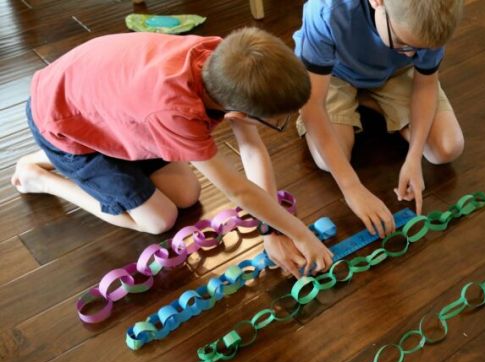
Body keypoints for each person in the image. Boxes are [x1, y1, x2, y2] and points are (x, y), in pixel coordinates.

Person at [11, 28, 333, 278]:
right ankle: (42, 176)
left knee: (186, 194)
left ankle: (63, 159)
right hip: (60, 124)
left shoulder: (227, 61)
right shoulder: (176, 113)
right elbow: (238, 190)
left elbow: (251, 149)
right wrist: (298, 234)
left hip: (110, 110)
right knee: (158, 220)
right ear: (235, 111)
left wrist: (273, 228)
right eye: (274, 121)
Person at [294, 0, 464, 237]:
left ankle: (366, 100)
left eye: (420, 49)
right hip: (332, 73)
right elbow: (312, 105)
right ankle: (369, 100)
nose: (412, 54)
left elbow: (425, 85)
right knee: (327, 160)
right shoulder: (327, 9)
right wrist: (352, 188)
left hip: (395, 72)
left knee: (447, 148)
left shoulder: (436, 15)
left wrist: (414, 157)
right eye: (403, 43)